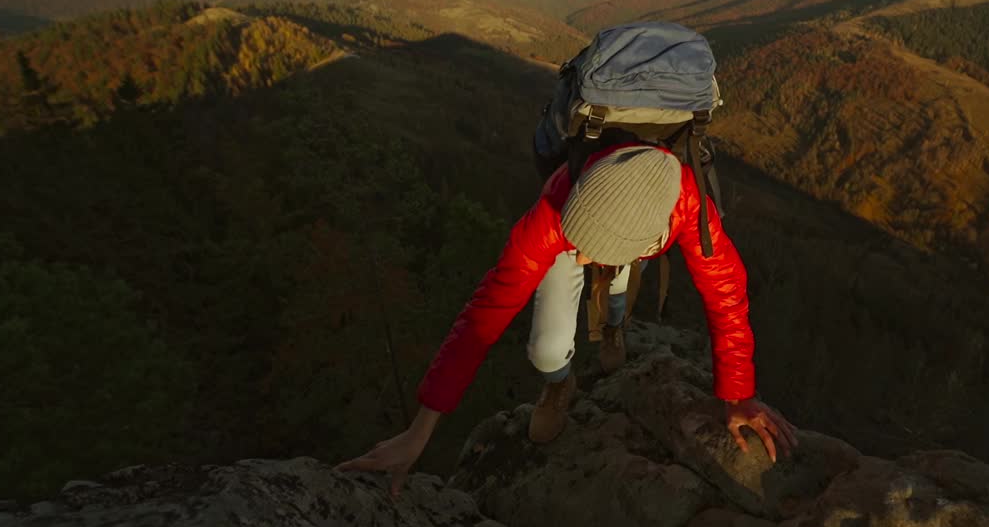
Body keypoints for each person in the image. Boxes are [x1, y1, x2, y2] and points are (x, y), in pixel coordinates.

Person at [338, 143, 798, 496]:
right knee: (546, 346)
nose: (579, 256)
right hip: (596, 221)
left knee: (616, 292)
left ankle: (613, 326)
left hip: (635, 230)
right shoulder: (555, 214)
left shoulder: (690, 209)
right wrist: (420, 431)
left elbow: (727, 297)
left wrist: (738, 395)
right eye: (577, 243)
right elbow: (484, 315)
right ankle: (560, 381)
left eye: (587, 249)